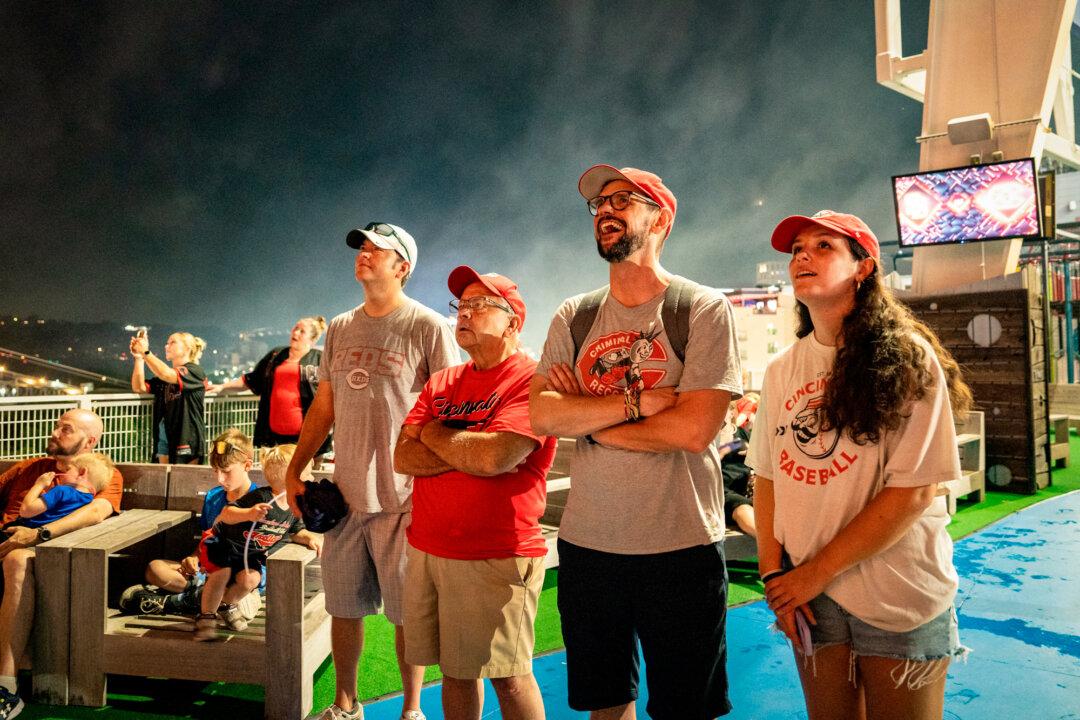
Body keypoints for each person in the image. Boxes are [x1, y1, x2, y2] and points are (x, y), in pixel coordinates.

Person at [529, 165, 742, 720]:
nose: (605, 209)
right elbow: (543, 415)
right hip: (589, 545)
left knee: (685, 708)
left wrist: (588, 418)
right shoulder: (573, 315)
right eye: (599, 203)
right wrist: (637, 404)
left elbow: (693, 431)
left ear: (661, 218)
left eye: (624, 199)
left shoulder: (700, 307)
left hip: (681, 545)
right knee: (605, 704)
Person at [745, 211, 973, 720]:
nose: (803, 255)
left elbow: (913, 492)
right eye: (797, 248)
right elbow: (766, 477)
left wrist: (810, 576)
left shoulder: (909, 358)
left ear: (864, 268)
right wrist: (773, 577)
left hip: (896, 589)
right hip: (810, 594)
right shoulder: (784, 370)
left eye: (824, 246)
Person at [284, 222, 458, 720]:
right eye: (361, 247)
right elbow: (325, 404)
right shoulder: (339, 327)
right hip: (344, 495)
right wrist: (297, 468)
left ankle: (411, 710)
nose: (363, 254)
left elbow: (449, 410)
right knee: (343, 607)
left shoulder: (428, 326)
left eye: (376, 250)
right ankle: (345, 704)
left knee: (408, 614)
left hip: (406, 497)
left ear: (402, 267)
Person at [394, 266, 556, 720]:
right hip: (428, 546)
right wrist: (469, 450)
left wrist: (436, 436)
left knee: (508, 673)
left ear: (513, 322)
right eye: (460, 306)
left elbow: (497, 458)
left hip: (496, 553)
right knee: (454, 671)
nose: (464, 314)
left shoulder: (532, 379)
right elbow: (401, 458)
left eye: (479, 305)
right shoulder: (443, 381)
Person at [0, 409, 123, 720]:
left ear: (89, 441)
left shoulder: (100, 474)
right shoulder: (32, 468)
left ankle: (5, 685)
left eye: (66, 429)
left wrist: (38, 534)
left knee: (16, 560)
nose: (55, 432)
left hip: (45, 552)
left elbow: (96, 512)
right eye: (57, 426)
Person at [117, 429, 264, 619]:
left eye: (226, 472)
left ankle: (173, 602)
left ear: (247, 465)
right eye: (215, 471)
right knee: (155, 569)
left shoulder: (260, 502)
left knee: (245, 580)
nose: (220, 479)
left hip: (239, 575)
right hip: (206, 574)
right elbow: (207, 539)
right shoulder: (213, 497)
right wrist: (193, 558)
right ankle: (212, 600)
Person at [195, 443, 321, 641]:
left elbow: (296, 532)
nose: (311, 479)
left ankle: (227, 604)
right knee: (222, 572)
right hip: (223, 544)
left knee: (251, 580)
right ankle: (206, 617)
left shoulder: (294, 506)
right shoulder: (261, 497)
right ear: (290, 479)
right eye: (306, 476)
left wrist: (310, 538)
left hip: (249, 554)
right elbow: (227, 513)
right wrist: (250, 513)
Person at [209, 316, 333, 462]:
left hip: (307, 437)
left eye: (302, 331)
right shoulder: (276, 355)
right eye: (295, 328)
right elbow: (251, 380)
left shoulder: (319, 359)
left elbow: (332, 390)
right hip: (274, 437)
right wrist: (221, 387)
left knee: (305, 480)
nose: (296, 333)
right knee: (274, 478)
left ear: (312, 339)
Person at [130, 330, 208, 464]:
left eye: (172, 342)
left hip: (186, 437)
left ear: (187, 349)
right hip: (164, 435)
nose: (167, 346)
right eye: (167, 343)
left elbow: (166, 374)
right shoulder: (164, 377)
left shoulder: (195, 371)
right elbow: (139, 387)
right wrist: (138, 358)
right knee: (163, 480)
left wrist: (146, 352)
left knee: (184, 481)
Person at [6, 453, 113, 530]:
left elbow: (25, 510)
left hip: (24, 529)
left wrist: (39, 485)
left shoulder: (61, 491)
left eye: (68, 469)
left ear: (82, 472)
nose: (62, 472)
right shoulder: (88, 500)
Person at [719, 393, 758, 538]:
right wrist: (729, 447)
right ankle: (770, 546)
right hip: (721, 490)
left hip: (744, 487)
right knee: (741, 508)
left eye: (728, 409)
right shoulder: (709, 436)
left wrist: (752, 452)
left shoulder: (743, 434)